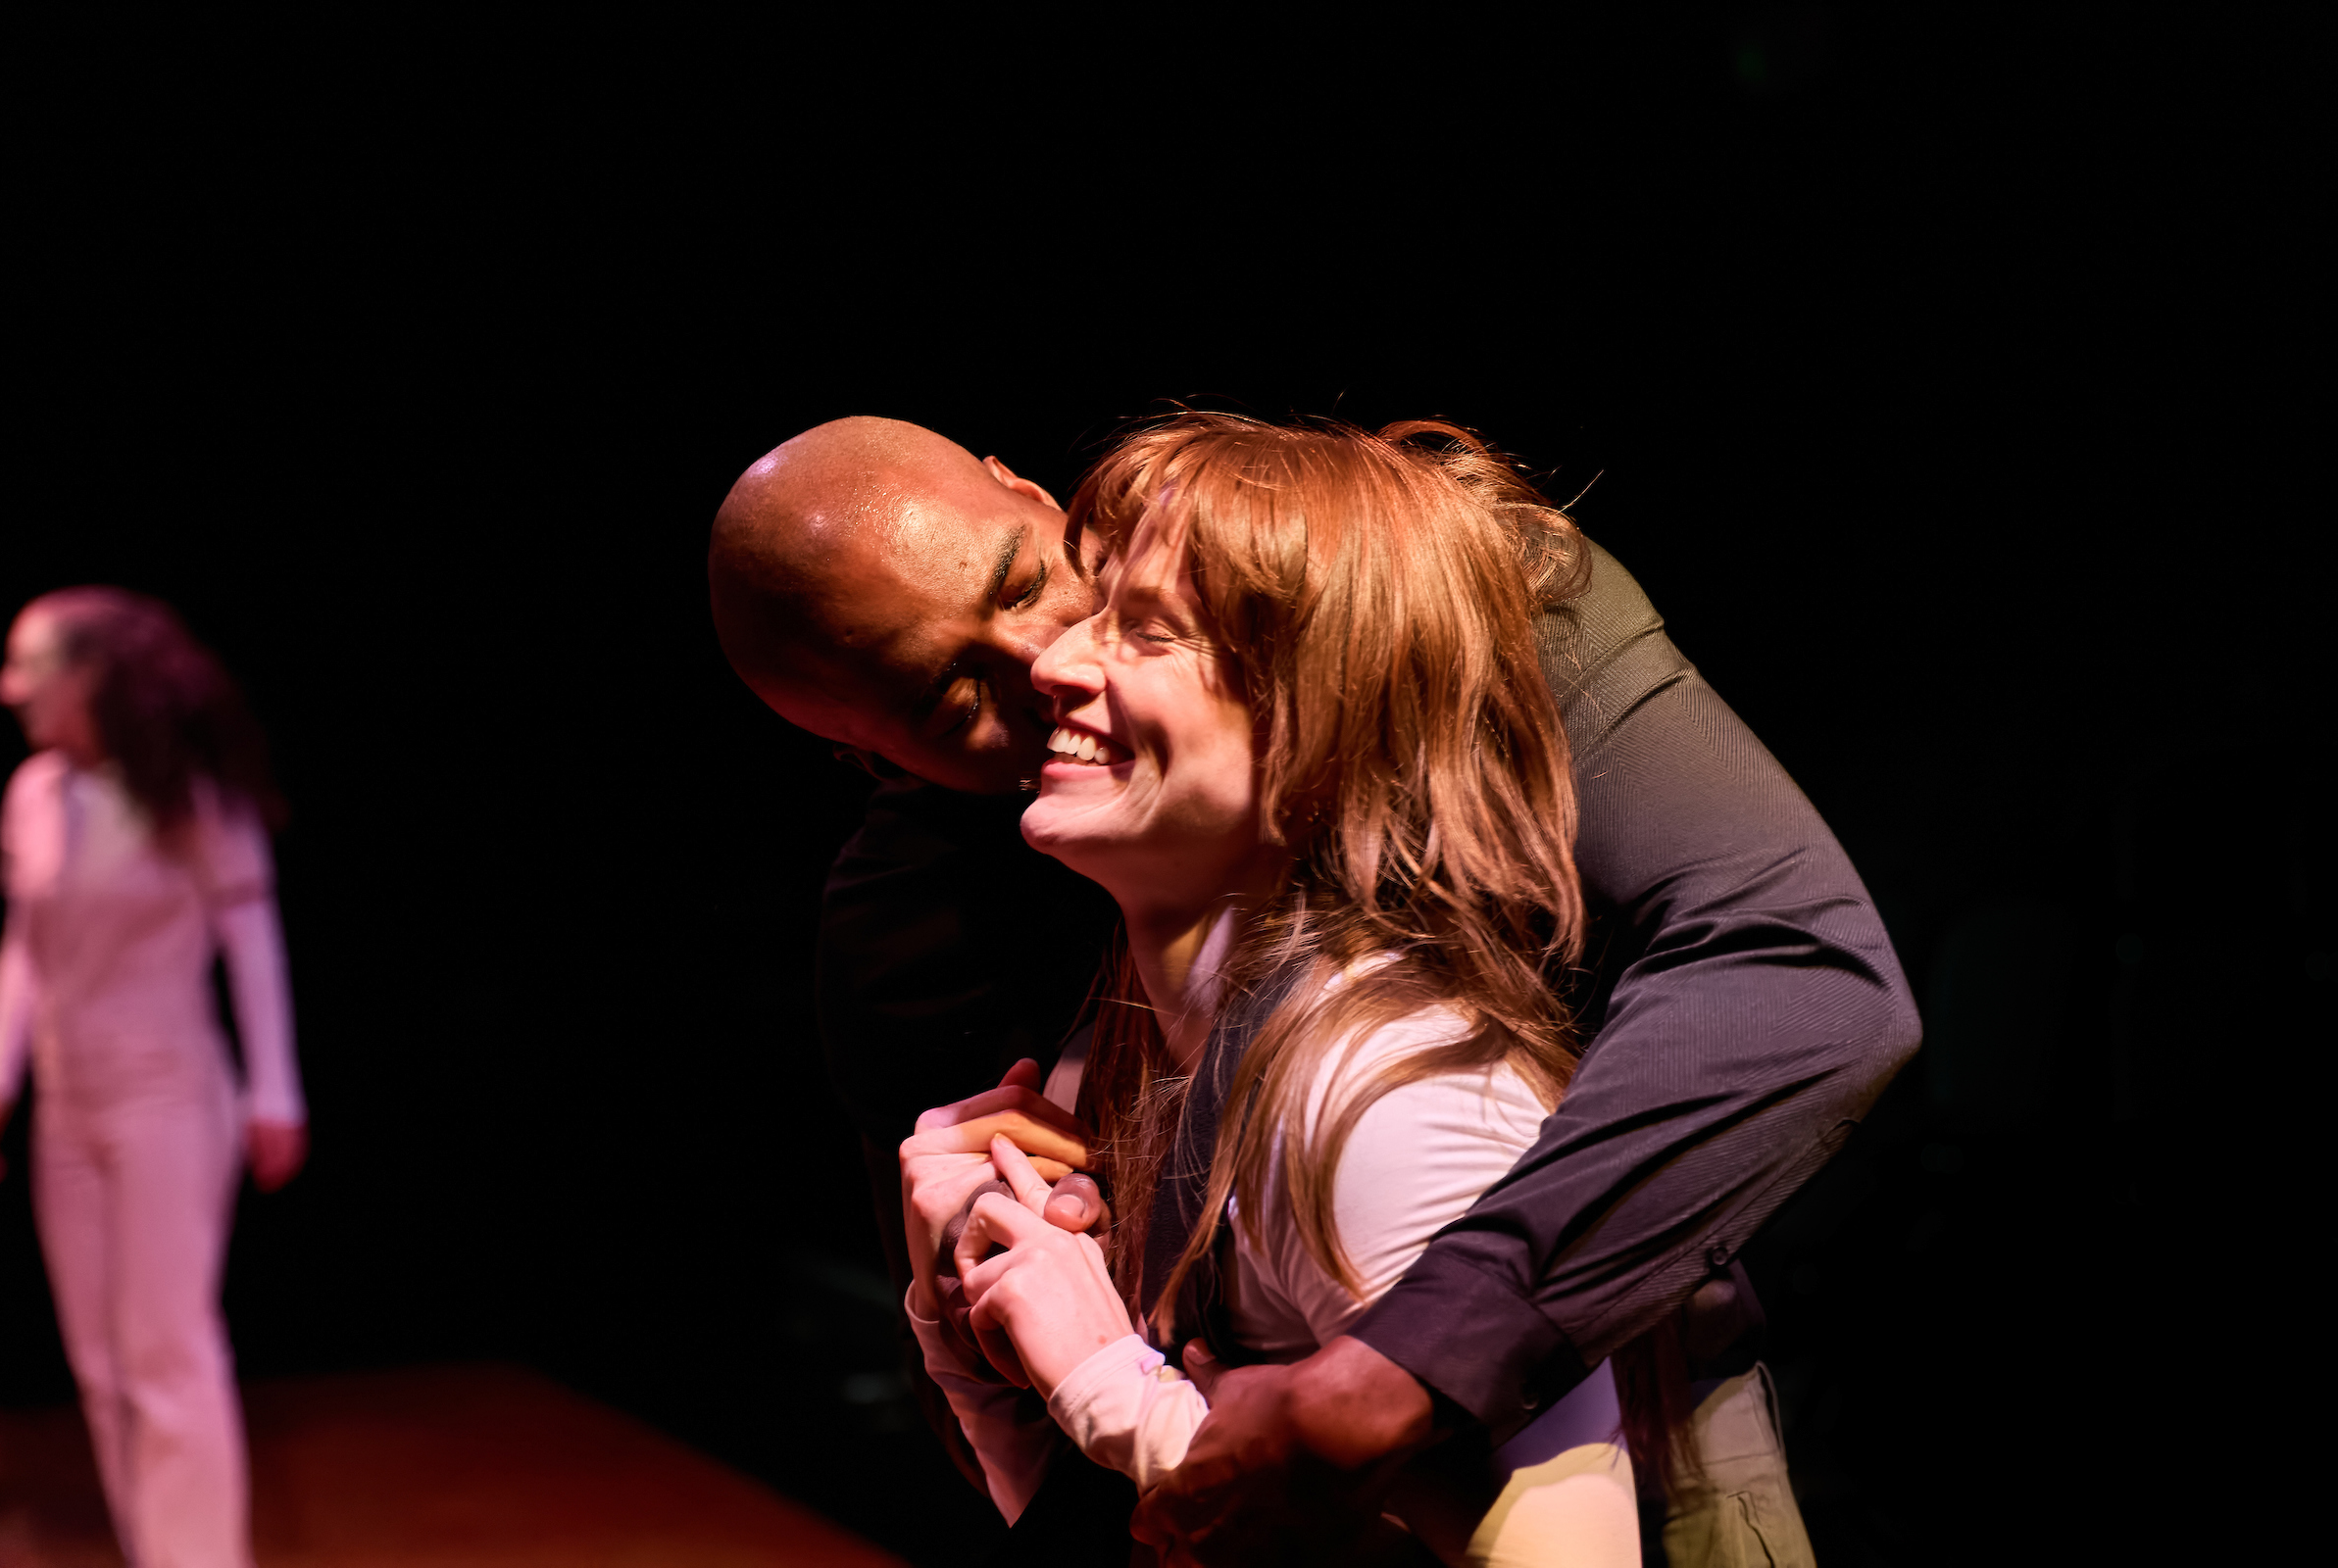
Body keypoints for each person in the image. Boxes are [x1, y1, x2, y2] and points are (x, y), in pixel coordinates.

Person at [709, 416, 1916, 1564]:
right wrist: (975, 1319)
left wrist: (1390, 1365)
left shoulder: (1416, 595)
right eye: (952, 697)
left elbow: (1799, 967)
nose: (1045, 664)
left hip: (1604, 1406)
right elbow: (1076, 1492)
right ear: (873, 762)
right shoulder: (917, 935)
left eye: (1030, 584)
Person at [903, 414, 1642, 1563]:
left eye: (1146, 633)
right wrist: (979, 1339)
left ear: (1317, 720)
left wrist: (1118, 1393)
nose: (1052, 664)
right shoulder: (1128, 1048)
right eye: (1093, 612)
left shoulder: (1394, 1093)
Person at [0, 588, 306, 1568]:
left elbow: (249, 938)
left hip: (167, 1096)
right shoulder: (34, 793)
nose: (7, 688)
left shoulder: (188, 793)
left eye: (27, 665)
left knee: (167, 1351)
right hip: (66, 1105)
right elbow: (25, 953)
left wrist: (273, 1092)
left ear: (89, 676)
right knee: (99, 1364)